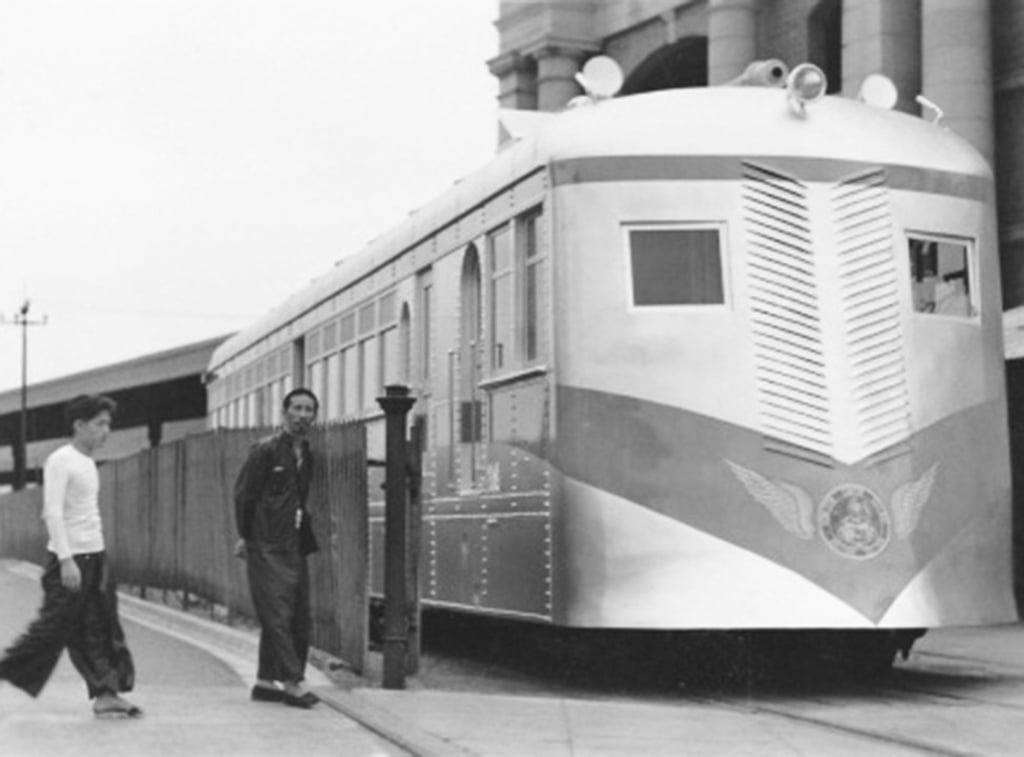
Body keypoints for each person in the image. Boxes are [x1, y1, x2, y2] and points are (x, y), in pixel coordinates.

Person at [0, 394, 141, 718]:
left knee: (101, 624)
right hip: (71, 560)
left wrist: (96, 556)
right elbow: (52, 512)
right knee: (52, 629)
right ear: (79, 425)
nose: (106, 431)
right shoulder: (61, 460)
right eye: (99, 424)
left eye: (108, 424)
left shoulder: (87, 462)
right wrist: (66, 560)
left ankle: (106, 694)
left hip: (94, 556)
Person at [233, 387, 320, 709]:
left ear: (314, 416)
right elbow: (244, 496)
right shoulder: (264, 451)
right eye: (296, 408)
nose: (302, 414)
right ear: (285, 413)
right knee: (278, 614)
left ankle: (265, 680)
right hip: (265, 544)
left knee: (297, 613)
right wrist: (246, 535)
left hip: (293, 544)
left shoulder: (306, 454)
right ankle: (294, 681)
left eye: (309, 409)